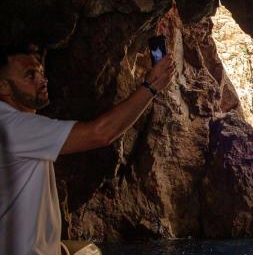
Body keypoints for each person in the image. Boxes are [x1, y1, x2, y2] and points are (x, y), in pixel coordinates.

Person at [0, 42, 175, 255]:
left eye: (40, 71)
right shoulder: (15, 128)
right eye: (30, 75)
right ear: (3, 87)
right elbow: (101, 133)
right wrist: (151, 86)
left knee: (85, 249)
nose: (42, 80)